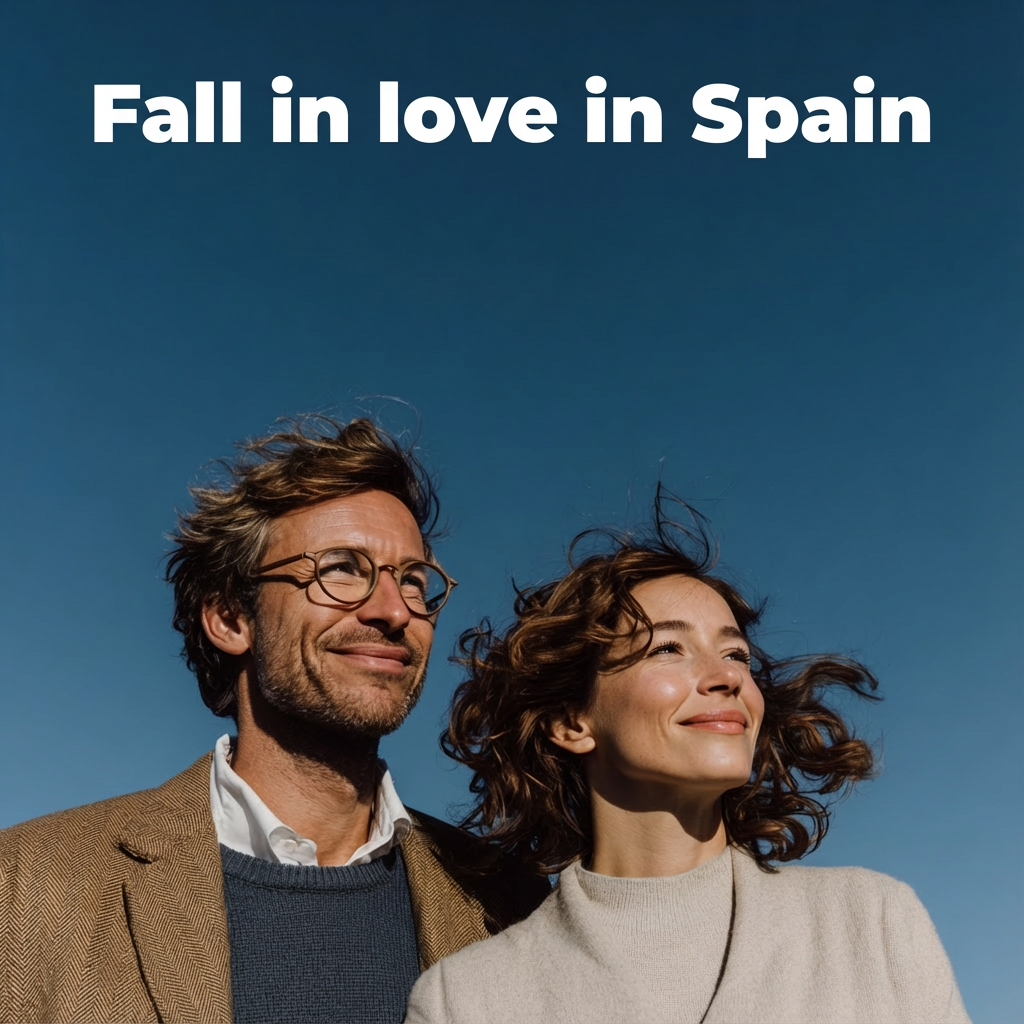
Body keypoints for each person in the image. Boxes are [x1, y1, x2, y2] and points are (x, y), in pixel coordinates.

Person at [0, 416, 548, 1024]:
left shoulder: (509, 905)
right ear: (231, 619)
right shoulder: (28, 885)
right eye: (342, 568)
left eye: (414, 581)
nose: (395, 611)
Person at [405, 499, 971, 1024]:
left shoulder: (873, 924)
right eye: (668, 648)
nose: (727, 676)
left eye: (736, 654)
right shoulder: (466, 1000)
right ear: (572, 722)